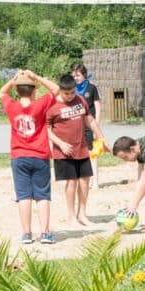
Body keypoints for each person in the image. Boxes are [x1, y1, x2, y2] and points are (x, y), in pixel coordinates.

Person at [0, 68, 60, 245]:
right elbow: (55, 89)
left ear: (17, 92)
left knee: (24, 196)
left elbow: (2, 92)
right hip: (40, 155)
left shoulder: (12, 106)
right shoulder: (39, 105)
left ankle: (26, 233)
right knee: (42, 196)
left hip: (19, 156)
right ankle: (45, 233)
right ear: (34, 90)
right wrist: (36, 77)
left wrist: (14, 79)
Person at [47, 73, 107, 228]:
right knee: (71, 183)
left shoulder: (80, 100)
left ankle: (82, 214)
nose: (70, 96)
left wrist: (101, 139)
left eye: (73, 92)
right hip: (64, 151)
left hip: (82, 148)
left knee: (85, 181)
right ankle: (71, 216)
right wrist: (60, 144)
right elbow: (46, 130)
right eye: (66, 93)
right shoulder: (52, 105)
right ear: (60, 90)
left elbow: (90, 121)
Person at [71, 63, 102, 187]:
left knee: (92, 153)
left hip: (90, 125)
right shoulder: (71, 89)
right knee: (78, 153)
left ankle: (95, 182)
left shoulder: (92, 88)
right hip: (75, 125)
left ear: (84, 75)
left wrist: (96, 129)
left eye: (78, 75)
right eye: (73, 76)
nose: (76, 78)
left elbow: (98, 108)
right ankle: (83, 179)